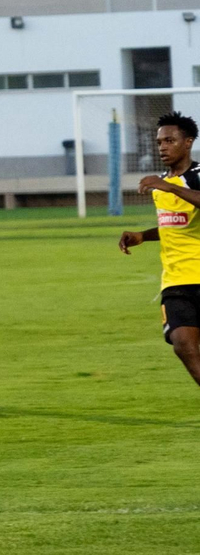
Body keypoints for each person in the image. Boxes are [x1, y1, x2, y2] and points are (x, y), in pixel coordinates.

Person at [121, 111, 200, 388]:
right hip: (176, 281)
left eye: (170, 140)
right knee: (183, 345)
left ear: (188, 142)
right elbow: (173, 225)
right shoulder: (161, 185)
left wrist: (167, 186)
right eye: (159, 142)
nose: (163, 147)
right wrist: (142, 235)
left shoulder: (196, 176)